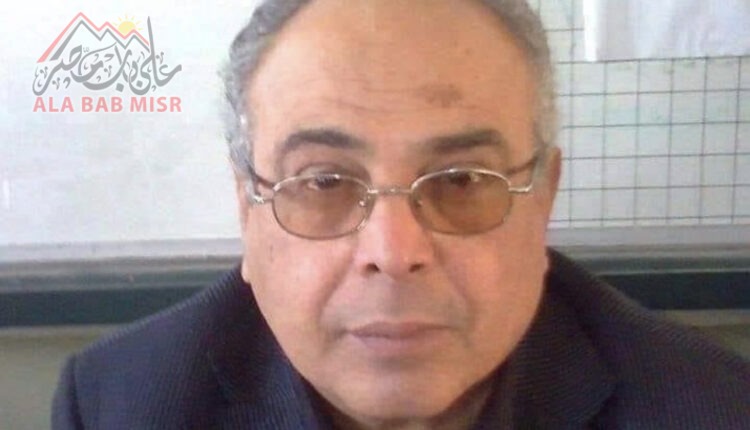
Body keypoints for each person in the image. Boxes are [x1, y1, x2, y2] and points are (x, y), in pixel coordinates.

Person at [52, 0, 750, 429]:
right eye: (324, 181)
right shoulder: (122, 405)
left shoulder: (709, 408)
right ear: (248, 209)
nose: (392, 251)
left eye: (462, 180)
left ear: (542, 201)